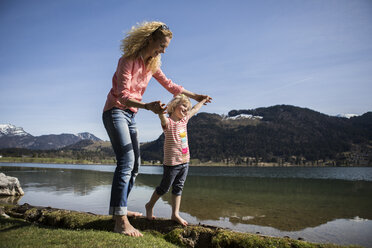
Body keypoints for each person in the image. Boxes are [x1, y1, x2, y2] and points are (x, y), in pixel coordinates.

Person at [102, 21, 211, 237]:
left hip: (131, 114)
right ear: (150, 39)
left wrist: (195, 96)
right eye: (162, 44)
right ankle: (120, 221)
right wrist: (148, 106)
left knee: (135, 166)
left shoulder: (152, 65)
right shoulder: (127, 61)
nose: (163, 49)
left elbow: (171, 85)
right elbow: (123, 96)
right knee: (126, 161)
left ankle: (120, 211)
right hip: (115, 110)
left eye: (166, 46)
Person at [145, 94, 211, 226]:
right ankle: (149, 205)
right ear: (174, 106)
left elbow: (195, 109)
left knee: (178, 187)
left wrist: (203, 100)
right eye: (184, 106)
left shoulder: (184, 121)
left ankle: (175, 214)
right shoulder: (168, 123)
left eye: (188, 107)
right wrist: (159, 112)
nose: (187, 109)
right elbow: (162, 118)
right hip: (172, 163)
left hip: (185, 162)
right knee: (164, 188)